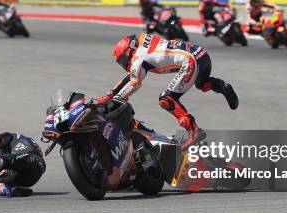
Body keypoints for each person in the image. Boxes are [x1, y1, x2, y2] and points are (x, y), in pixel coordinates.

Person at [97, 33, 239, 150]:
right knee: (201, 84)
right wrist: (111, 93)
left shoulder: (137, 59)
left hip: (190, 61)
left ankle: (194, 131)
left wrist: (117, 99)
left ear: (129, 50)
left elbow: (134, 82)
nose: (123, 63)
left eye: (122, 59)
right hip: (201, 54)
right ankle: (222, 86)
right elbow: (132, 76)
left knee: (166, 99)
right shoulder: (143, 38)